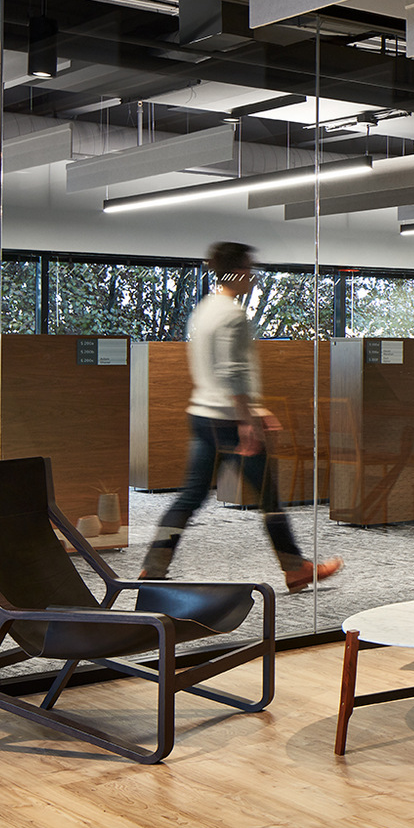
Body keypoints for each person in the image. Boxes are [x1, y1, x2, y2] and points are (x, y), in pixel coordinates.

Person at [141, 242, 342, 593]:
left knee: (190, 497)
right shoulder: (232, 314)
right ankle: (295, 569)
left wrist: (254, 409)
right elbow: (233, 374)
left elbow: (218, 373)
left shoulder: (204, 310)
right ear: (237, 271)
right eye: (249, 268)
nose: (252, 275)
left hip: (203, 414)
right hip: (230, 422)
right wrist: (248, 421)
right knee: (268, 497)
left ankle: (155, 564)